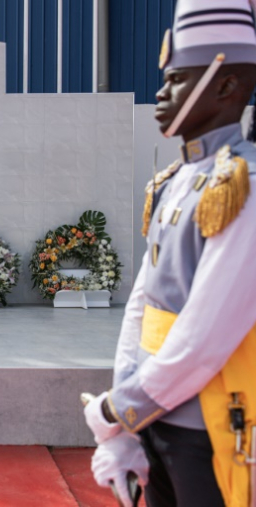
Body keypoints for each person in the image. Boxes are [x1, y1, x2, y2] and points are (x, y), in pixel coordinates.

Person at [82, 1, 256, 506]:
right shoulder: (176, 181)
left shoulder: (240, 185)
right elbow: (141, 310)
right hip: (155, 418)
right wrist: (123, 430)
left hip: (209, 426)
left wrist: (117, 410)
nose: (161, 92)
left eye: (178, 78)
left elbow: (203, 337)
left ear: (226, 87)